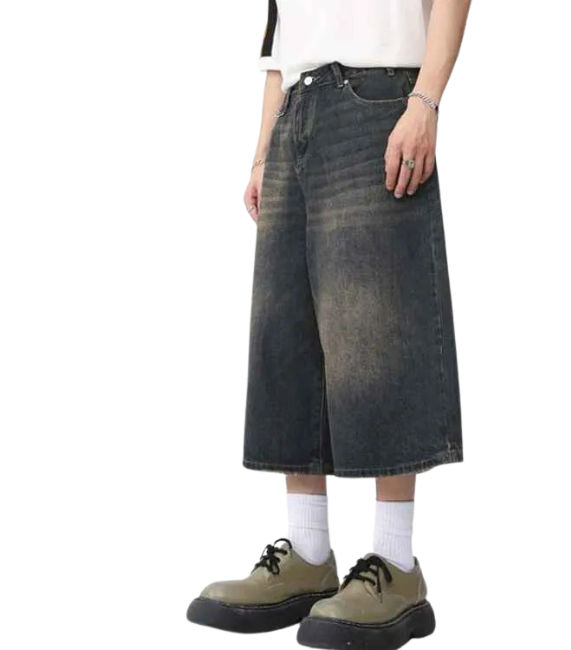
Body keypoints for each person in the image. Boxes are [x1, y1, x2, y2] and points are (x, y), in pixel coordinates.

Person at [187, 1, 471, 648]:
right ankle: (309, 554)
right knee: (290, 338)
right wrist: (262, 152)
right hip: (296, 109)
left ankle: (396, 565)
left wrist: (425, 103)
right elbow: (279, 41)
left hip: (380, 98)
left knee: (380, 329)